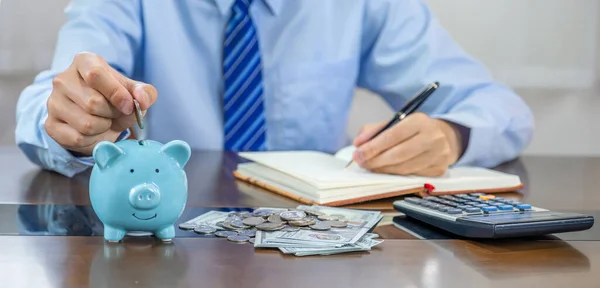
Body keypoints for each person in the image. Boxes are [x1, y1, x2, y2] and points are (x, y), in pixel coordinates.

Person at [15, 0, 534, 178]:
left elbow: (497, 106)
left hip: (316, 248)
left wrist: (452, 135)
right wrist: (65, 121)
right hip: (156, 240)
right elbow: (53, 95)